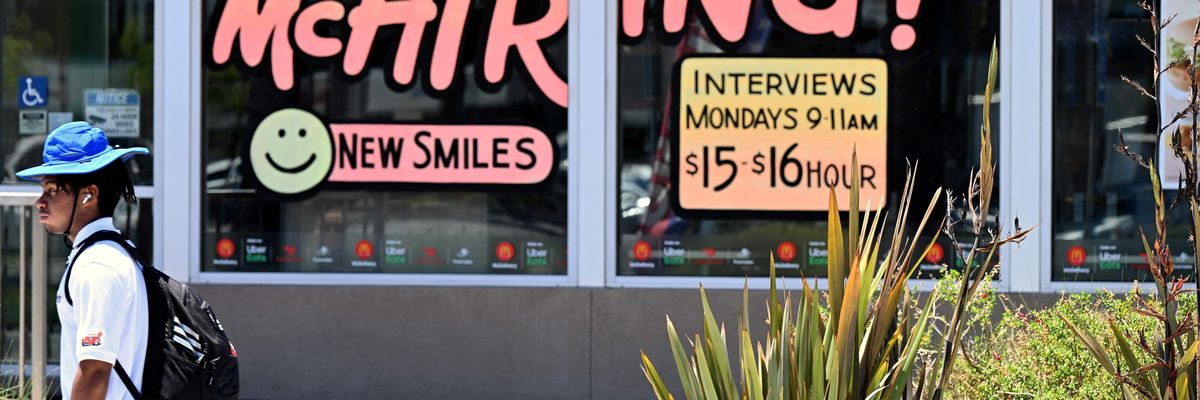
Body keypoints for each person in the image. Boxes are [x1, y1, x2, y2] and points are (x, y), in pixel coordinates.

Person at [17, 122, 149, 400]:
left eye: (52, 190)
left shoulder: (98, 266)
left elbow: (94, 371)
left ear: (89, 194)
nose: (40, 202)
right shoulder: (113, 250)